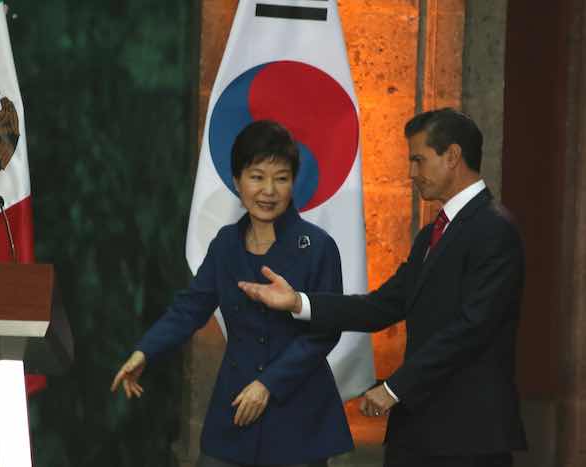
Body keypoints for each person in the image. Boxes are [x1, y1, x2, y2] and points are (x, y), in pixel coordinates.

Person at [238, 109, 527, 467]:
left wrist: (394, 388)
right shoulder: (432, 234)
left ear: (452, 156)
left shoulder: (494, 229)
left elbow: (471, 328)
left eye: (419, 160)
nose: (411, 173)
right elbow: (382, 306)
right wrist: (299, 302)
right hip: (419, 432)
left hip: (469, 436)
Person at [111, 120, 354, 467]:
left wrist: (268, 384)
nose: (268, 190)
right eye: (257, 176)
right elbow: (191, 308)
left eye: (281, 178)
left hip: (298, 416)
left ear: (293, 183)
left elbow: (325, 331)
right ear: (237, 180)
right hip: (236, 409)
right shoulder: (226, 243)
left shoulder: (317, 247)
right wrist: (145, 351)